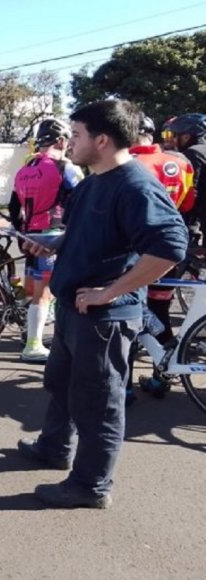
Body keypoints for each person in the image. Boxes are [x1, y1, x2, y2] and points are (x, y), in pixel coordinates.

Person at [16, 100, 188, 509]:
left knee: (99, 404)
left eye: (75, 135)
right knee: (61, 385)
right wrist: (51, 242)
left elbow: (170, 248)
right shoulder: (93, 183)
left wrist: (110, 292)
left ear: (102, 140)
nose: (68, 143)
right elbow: (87, 235)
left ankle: (90, 486)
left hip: (106, 317)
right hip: (74, 309)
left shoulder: (135, 185)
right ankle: (53, 448)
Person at [126, 114, 196, 402]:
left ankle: (124, 386)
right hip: (172, 249)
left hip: (137, 251)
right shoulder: (182, 163)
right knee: (160, 310)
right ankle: (161, 377)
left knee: (130, 316)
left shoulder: (128, 164)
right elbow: (189, 202)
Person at [9, 118, 81, 362]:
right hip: (54, 235)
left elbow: (12, 206)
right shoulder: (65, 168)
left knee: (32, 290)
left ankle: (29, 332)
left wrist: (22, 231)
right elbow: (81, 200)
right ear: (61, 141)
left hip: (29, 233)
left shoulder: (25, 168)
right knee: (45, 293)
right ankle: (33, 344)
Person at [166, 114, 206, 239]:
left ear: (186, 136)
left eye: (172, 135)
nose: (169, 139)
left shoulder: (193, 153)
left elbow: (189, 192)